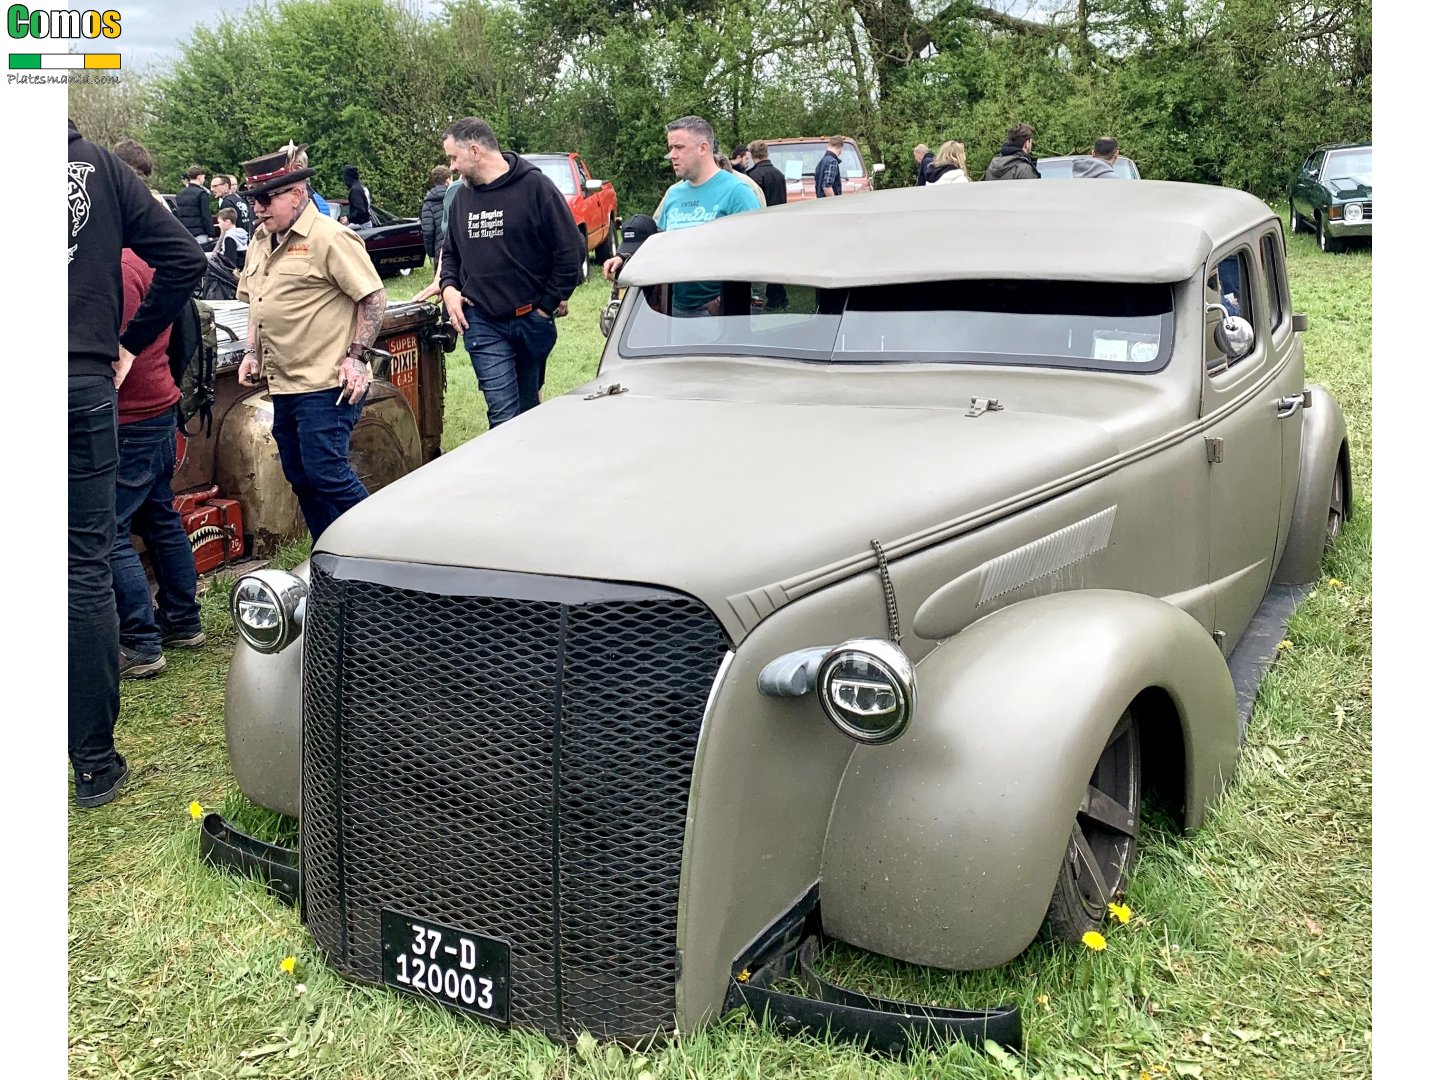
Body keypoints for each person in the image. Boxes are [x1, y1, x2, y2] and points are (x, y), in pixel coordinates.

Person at [68, 119, 205, 806]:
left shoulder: (117, 248)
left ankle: (154, 636)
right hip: (108, 395)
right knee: (102, 551)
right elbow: (187, 280)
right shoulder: (100, 173)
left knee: (110, 540)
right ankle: (93, 763)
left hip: (126, 404)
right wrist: (125, 348)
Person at [234, 145, 388, 539]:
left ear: (297, 195)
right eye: (253, 200)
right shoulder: (260, 239)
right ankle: (331, 559)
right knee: (301, 475)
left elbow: (372, 297)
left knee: (326, 472)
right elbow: (257, 299)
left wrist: (356, 358)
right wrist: (251, 351)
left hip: (327, 382)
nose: (257, 208)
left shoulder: (330, 237)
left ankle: (380, 547)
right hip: (284, 382)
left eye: (266, 199)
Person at [438, 116, 583, 428]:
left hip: (531, 319)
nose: (451, 167)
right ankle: (507, 475)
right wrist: (449, 289)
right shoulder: (462, 197)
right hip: (481, 321)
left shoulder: (535, 187)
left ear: (475, 151)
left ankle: (535, 472)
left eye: (453, 158)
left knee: (530, 409)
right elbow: (450, 254)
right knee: (503, 416)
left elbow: (571, 251)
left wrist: (546, 307)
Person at [113, 248, 207, 680]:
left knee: (107, 530)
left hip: (129, 414)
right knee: (159, 517)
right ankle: (182, 620)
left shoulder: (116, 266)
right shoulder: (141, 261)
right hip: (156, 408)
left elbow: (112, 351)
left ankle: (140, 642)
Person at [602, 115, 762, 316]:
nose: (671, 155)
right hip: (675, 310)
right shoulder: (674, 194)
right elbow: (658, 242)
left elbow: (758, 252)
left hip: (721, 314)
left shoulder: (737, 192)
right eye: (670, 148)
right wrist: (625, 257)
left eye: (679, 148)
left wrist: (723, 301)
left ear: (703, 148)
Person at [419, 164, 449, 266]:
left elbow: (428, 231)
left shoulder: (428, 202)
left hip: (439, 249)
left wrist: (431, 253)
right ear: (448, 179)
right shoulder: (456, 195)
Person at [174, 164, 213, 240]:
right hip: (200, 232)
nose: (204, 180)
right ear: (199, 177)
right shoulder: (202, 193)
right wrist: (210, 232)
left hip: (186, 233)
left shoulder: (180, 193)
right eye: (203, 177)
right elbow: (206, 215)